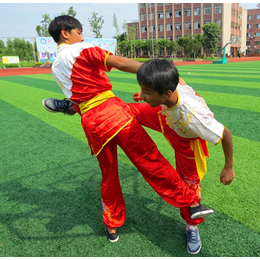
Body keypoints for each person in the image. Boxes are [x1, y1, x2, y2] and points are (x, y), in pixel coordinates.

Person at [45, 15, 213, 248]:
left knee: (109, 173)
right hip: (112, 113)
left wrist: (76, 106)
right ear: (65, 32)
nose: (82, 36)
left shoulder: (55, 66)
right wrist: (161, 74)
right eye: (79, 31)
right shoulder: (80, 49)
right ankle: (191, 204)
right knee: (150, 160)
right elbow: (121, 63)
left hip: (91, 122)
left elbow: (81, 91)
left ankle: (112, 223)